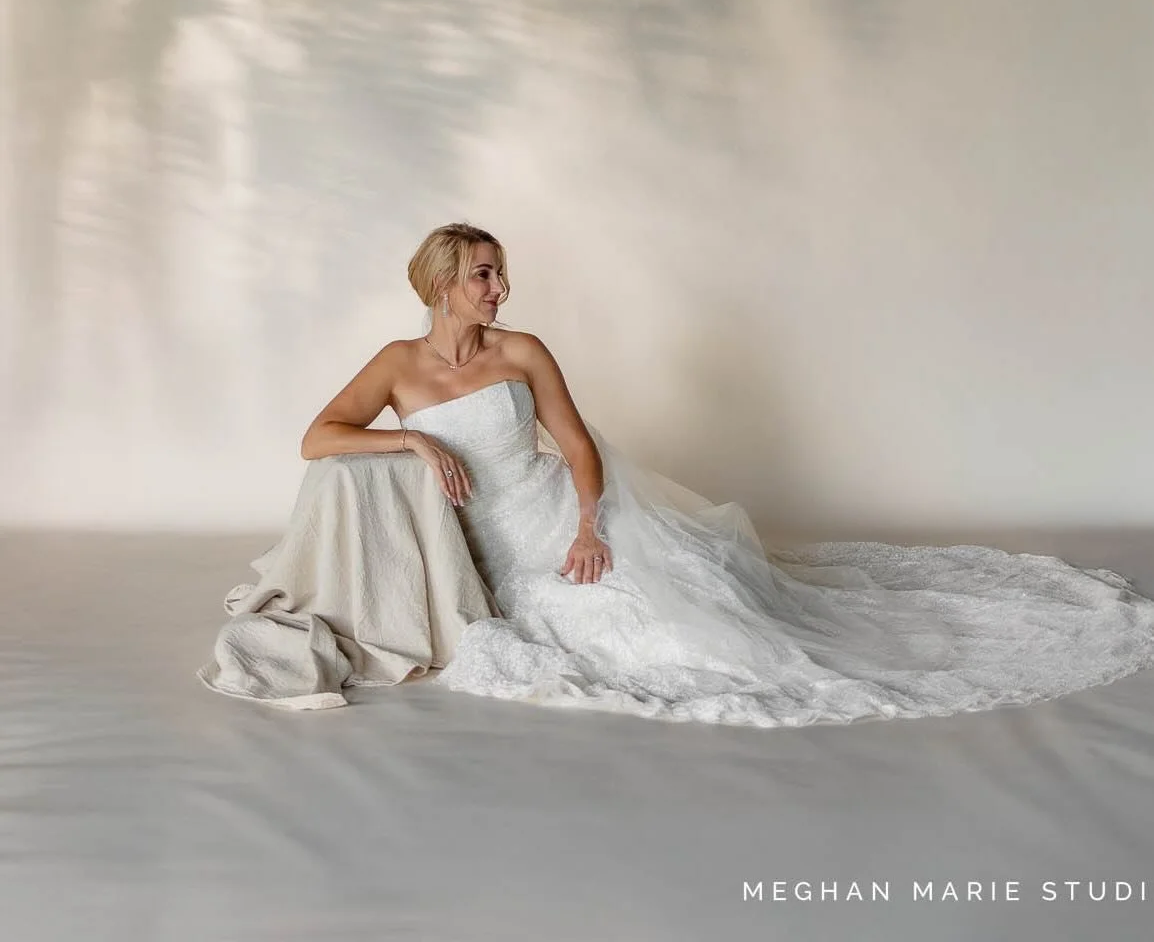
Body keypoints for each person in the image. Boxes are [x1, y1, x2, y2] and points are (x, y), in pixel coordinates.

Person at [200, 221, 1154, 725]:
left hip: (548, 516)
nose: (501, 287)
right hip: (474, 541)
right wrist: (411, 442)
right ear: (444, 283)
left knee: (668, 627)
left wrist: (588, 526)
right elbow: (318, 439)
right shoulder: (397, 366)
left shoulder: (522, 350)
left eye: (501, 272)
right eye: (484, 274)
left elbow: (578, 445)